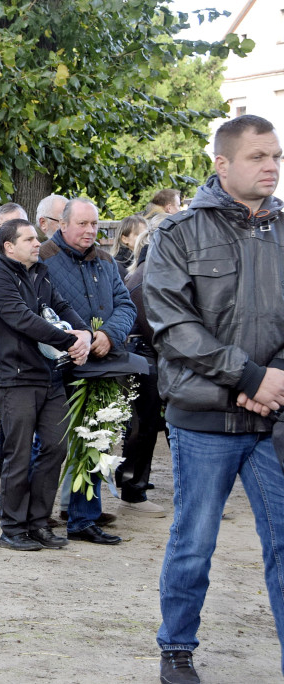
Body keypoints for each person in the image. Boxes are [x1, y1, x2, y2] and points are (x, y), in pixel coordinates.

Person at [145, 114, 284, 683]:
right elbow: (173, 326)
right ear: (222, 164)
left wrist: (274, 377)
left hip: (274, 418)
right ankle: (176, 647)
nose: (272, 166)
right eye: (258, 157)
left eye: (275, 156)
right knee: (194, 543)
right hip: (203, 418)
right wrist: (248, 376)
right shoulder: (176, 234)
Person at [0, 218, 92, 551]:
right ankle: (12, 528)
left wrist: (85, 335)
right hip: (13, 377)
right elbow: (23, 319)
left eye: (36, 238)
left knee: (57, 446)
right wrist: (70, 341)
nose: (37, 243)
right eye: (29, 239)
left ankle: (39, 523)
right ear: (9, 246)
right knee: (19, 452)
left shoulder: (40, 272)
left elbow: (61, 306)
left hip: (49, 374)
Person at [38, 197, 136, 545]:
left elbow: (125, 304)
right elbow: (39, 308)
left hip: (102, 364)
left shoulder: (106, 261)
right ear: (62, 225)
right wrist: (76, 338)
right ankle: (36, 517)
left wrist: (108, 334)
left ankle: (83, 519)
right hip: (58, 366)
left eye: (94, 224)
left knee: (96, 440)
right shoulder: (43, 258)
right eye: (83, 223)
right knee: (51, 444)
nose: (90, 230)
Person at [116, 226, 165, 517]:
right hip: (146, 358)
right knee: (142, 426)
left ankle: (133, 485)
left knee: (142, 425)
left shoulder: (145, 273)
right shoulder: (146, 276)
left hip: (144, 356)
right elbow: (153, 329)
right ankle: (133, 491)